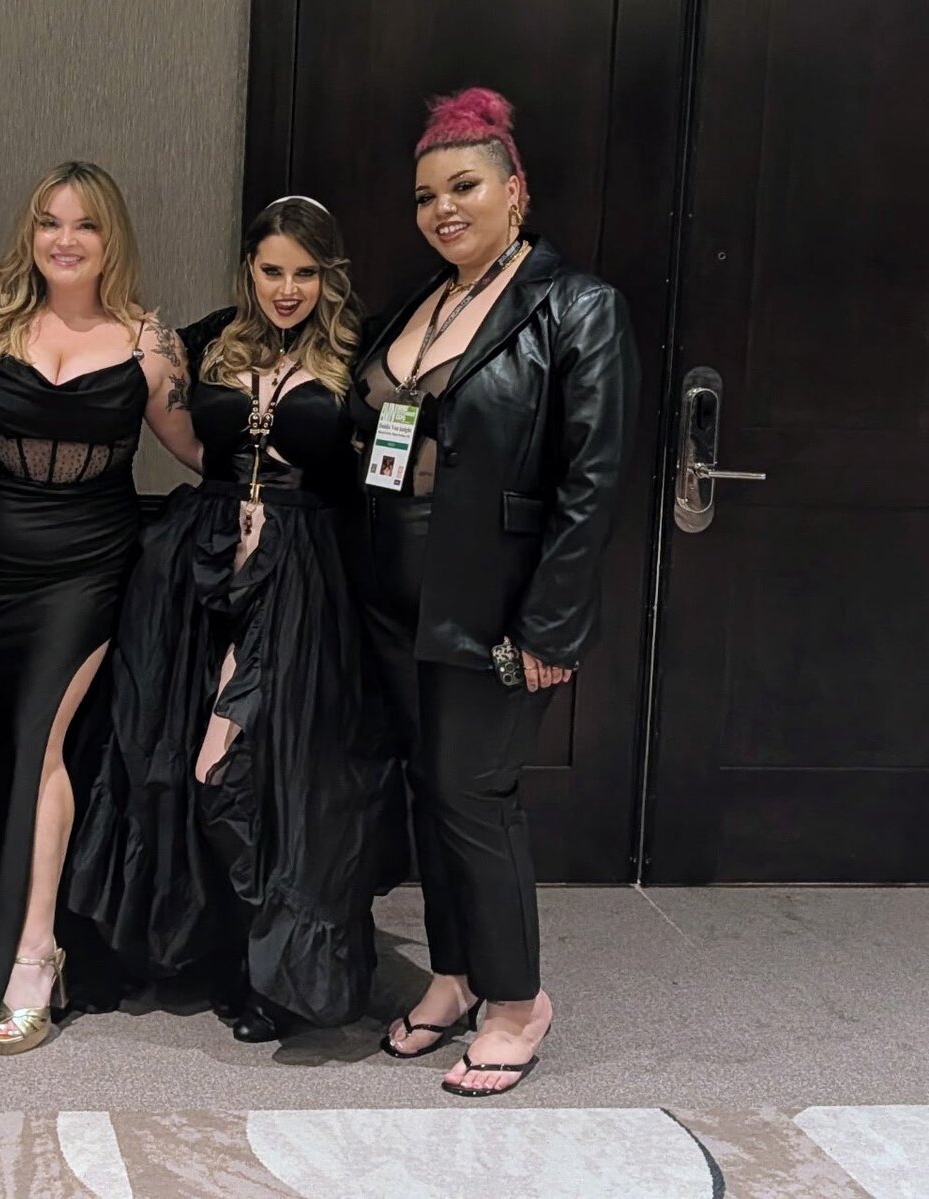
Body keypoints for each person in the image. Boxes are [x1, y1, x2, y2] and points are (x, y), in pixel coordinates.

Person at [349, 88, 637, 1096]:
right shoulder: (418, 303)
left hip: (494, 599)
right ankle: (456, 970)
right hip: (394, 591)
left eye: (463, 187)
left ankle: (517, 999)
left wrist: (552, 623)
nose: (443, 210)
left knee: (477, 791)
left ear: (515, 190)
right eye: (426, 195)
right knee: (430, 788)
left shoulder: (578, 306)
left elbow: (593, 479)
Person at [68, 196, 401, 1042]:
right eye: (271, 270)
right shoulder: (211, 338)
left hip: (302, 574)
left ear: (327, 275)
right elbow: (147, 385)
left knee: (265, 762)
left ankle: (278, 971)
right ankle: (202, 949)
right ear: (248, 269)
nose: (287, 289)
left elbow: (389, 453)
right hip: (200, 562)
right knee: (173, 750)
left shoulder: (360, 350)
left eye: (305, 273)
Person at [0, 160, 198, 1056]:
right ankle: (20, 932)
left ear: (110, 238)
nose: (65, 239)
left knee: (43, 739)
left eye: (85, 224)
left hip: (87, 567)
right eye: (50, 222)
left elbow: (200, 448)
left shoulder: (150, 343)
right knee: (8, 748)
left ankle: (35, 954)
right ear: (30, 232)